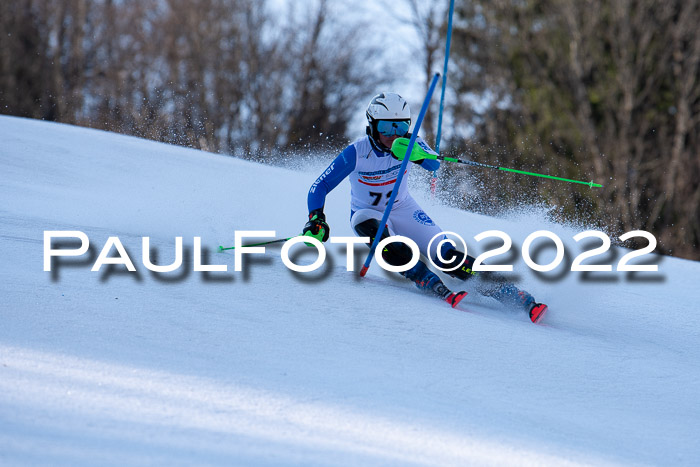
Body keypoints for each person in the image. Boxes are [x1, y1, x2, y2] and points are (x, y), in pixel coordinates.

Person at [302, 92, 547, 323]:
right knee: (384, 240)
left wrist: (414, 153)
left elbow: (433, 164)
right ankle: (424, 278)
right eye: (386, 127)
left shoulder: (412, 142)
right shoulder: (356, 152)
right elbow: (320, 185)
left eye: (400, 126)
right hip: (368, 213)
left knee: (446, 255)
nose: (393, 134)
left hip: (403, 208)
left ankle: (510, 293)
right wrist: (316, 218)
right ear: (372, 126)